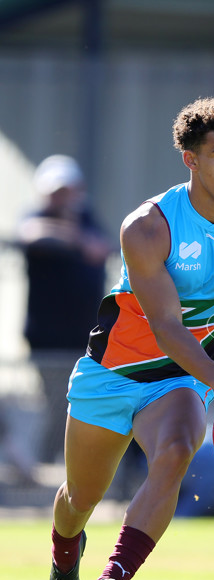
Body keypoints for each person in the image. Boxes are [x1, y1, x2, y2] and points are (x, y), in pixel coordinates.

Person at [47, 96, 214, 580]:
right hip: (111, 374)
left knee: (179, 447)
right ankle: (66, 557)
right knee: (78, 498)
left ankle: (114, 577)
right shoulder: (147, 227)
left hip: (182, 377)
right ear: (190, 158)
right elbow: (166, 328)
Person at [17, 155, 112, 463]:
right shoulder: (40, 219)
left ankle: (51, 463)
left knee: (79, 402)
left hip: (85, 339)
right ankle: (39, 462)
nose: (60, 197)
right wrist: (77, 240)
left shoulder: (89, 220)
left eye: (65, 190)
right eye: (54, 191)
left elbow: (108, 246)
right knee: (58, 402)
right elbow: (28, 233)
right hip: (48, 339)